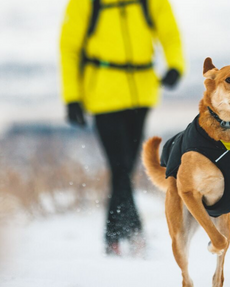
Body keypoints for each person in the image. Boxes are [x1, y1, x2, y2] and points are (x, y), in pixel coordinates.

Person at [59, 0, 185, 255]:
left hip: (141, 94)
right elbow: (70, 47)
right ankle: (135, 234)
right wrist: (72, 97)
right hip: (102, 95)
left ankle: (113, 237)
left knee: (125, 168)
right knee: (119, 167)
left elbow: (169, 31)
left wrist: (175, 65)